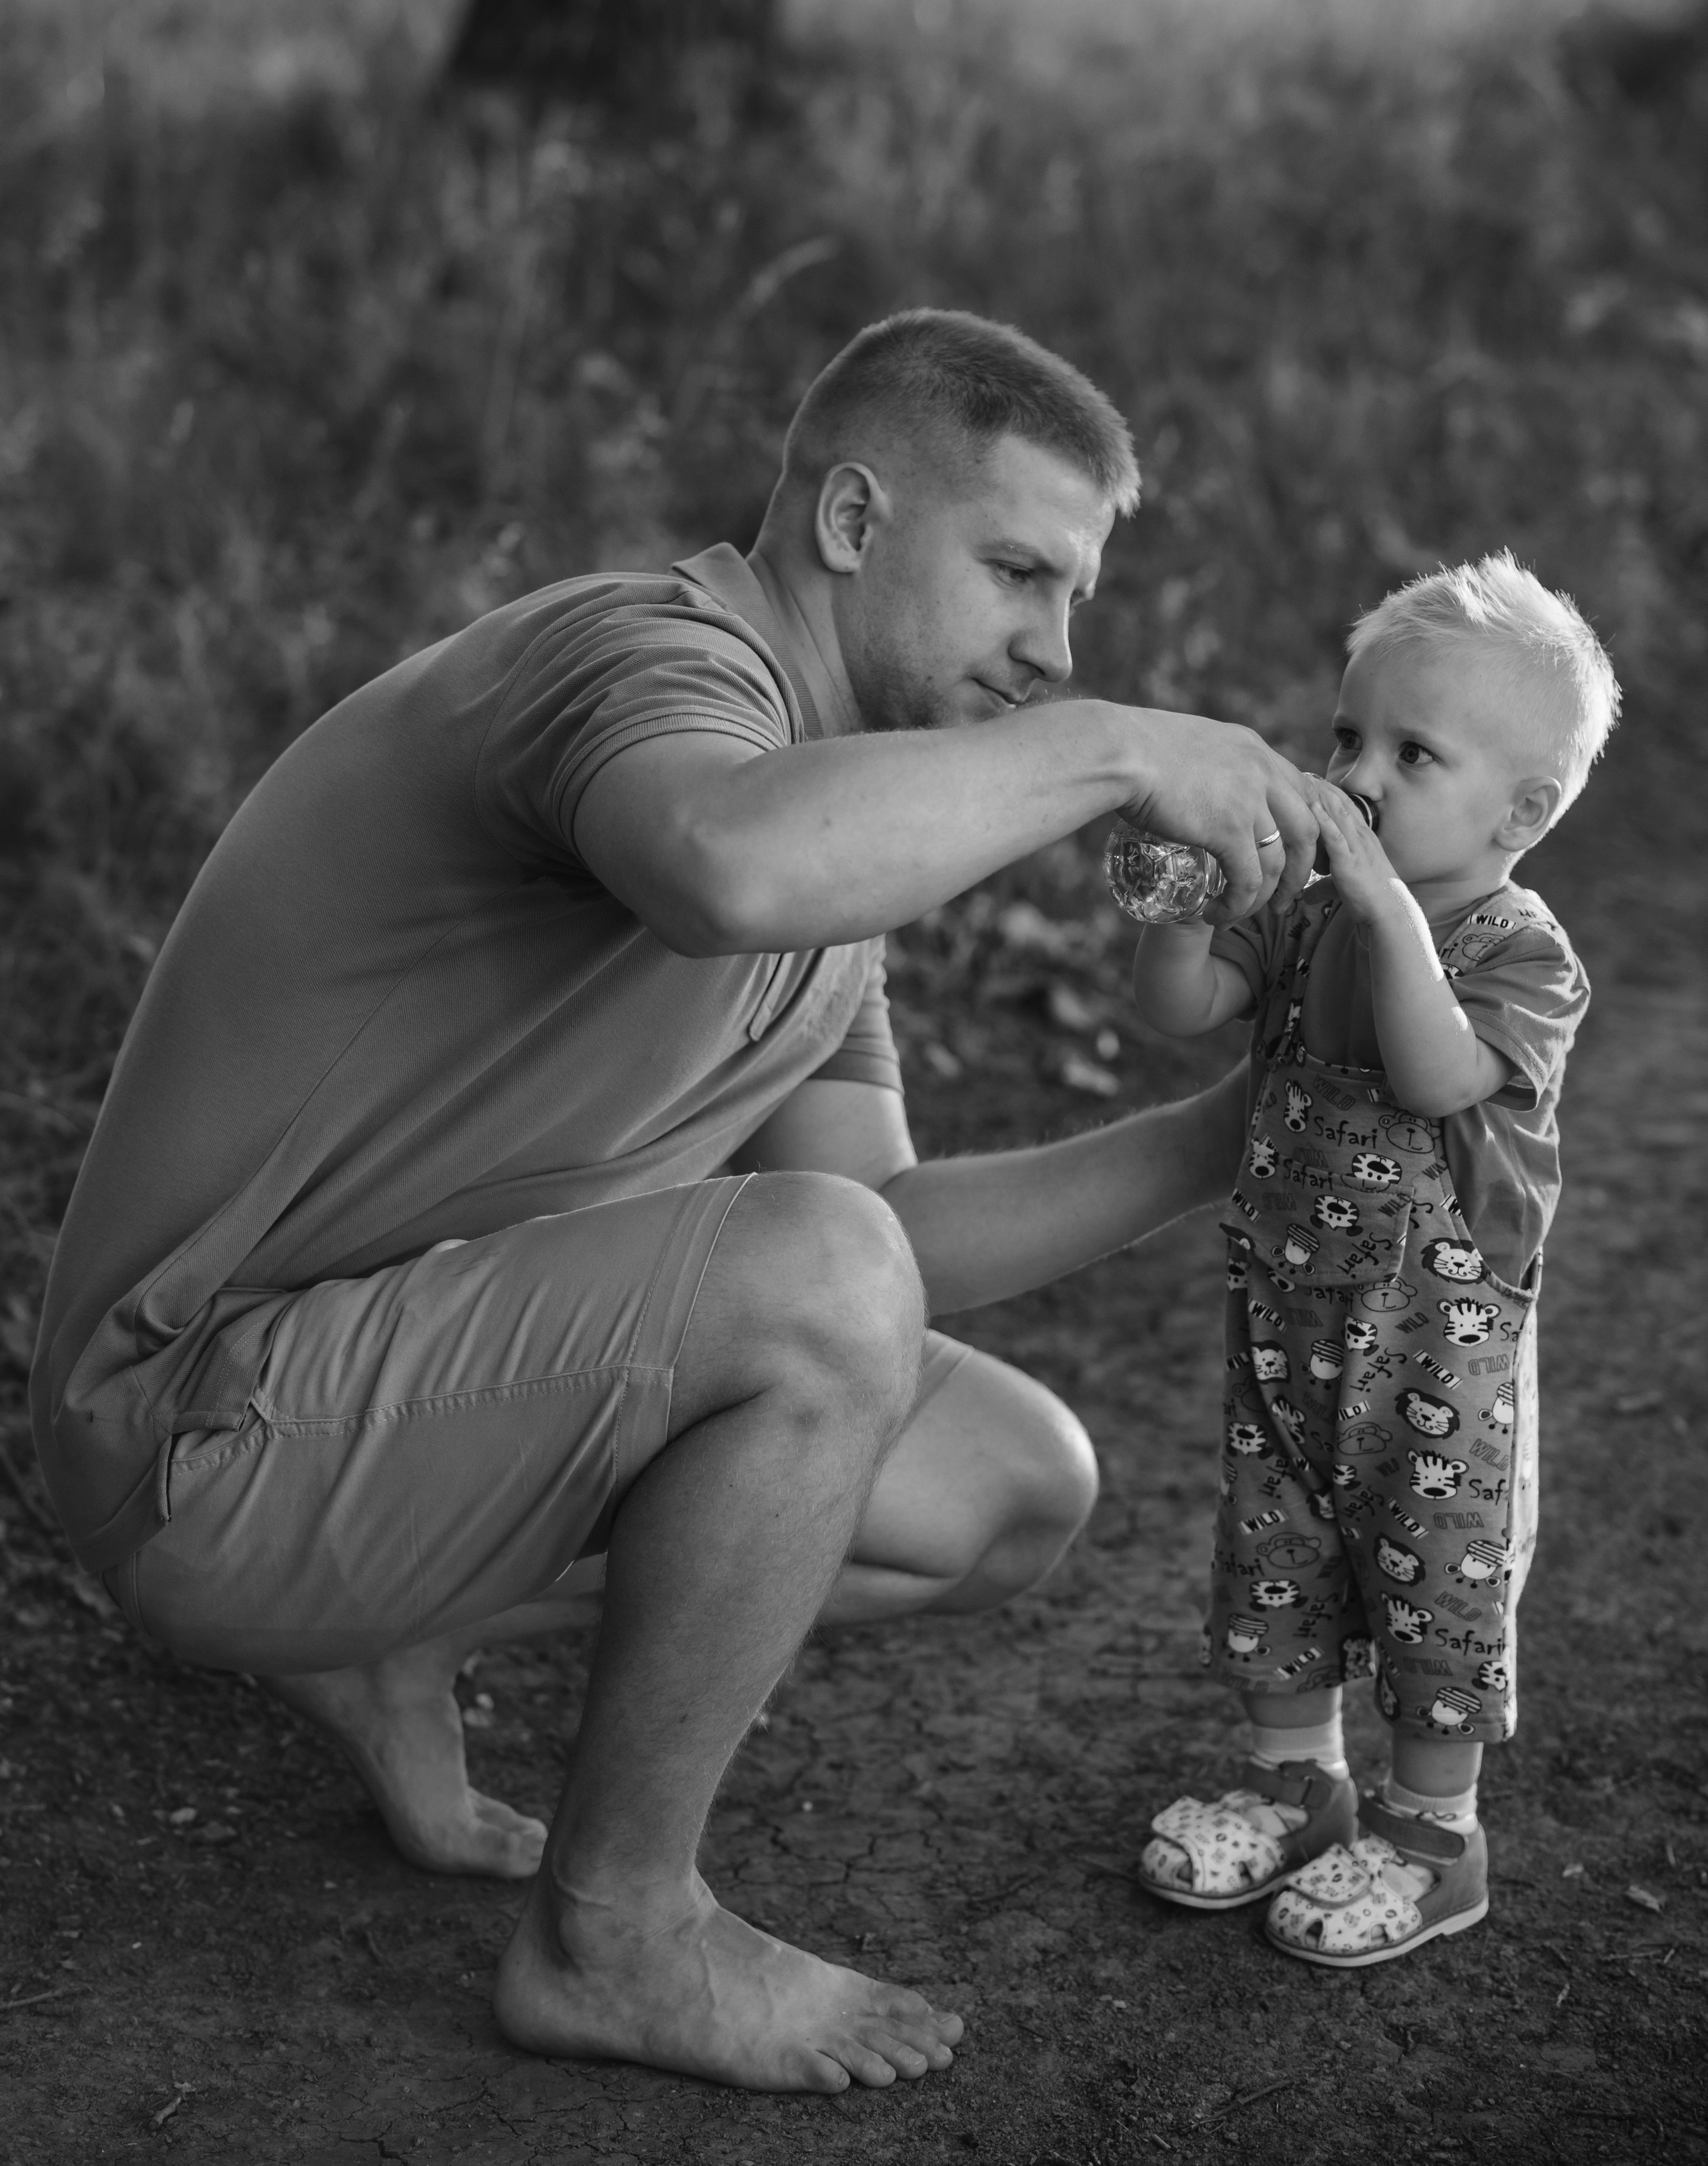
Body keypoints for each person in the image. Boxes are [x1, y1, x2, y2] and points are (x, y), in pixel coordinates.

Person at [33, 309, 1322, 2092]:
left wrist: (1221, 1133)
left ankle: (387, 1630)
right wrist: (1113, 747)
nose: (1053, 647)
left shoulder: (831, 836)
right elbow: (721, 867)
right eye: (1019, 571)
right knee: (815, 1283)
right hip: (195, 1420)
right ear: (854, 521)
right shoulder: (644, 668)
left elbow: (883, 1225)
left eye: (1078, 602)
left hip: (380, 1389)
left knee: (1011, 1485)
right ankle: (617, 1936)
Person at [1128, 553, 1619, 1966]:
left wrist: (1374, 904)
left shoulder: (1518, 948)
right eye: (1346, 738)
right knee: (1272, 1548)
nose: (1358, 774)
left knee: (1434, 1577)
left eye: (1413, 753)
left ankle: (1429, 1835)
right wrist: (1188, 893)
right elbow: (1180, 1007)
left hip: (1437, 1345)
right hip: (1286, 1311)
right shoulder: (1301, 913)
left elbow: (1429, 1071)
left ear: (1519, 811)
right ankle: (1294, 1782)